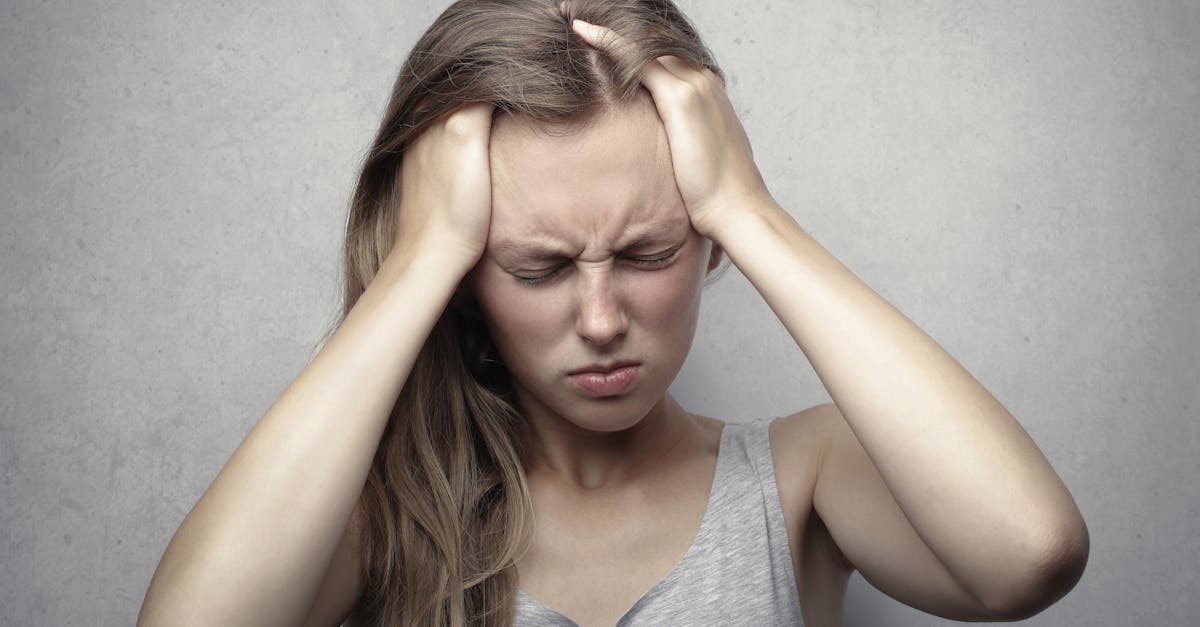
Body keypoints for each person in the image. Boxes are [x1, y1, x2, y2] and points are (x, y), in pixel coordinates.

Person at [137, 1, 1089, 625]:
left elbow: (1029, 552)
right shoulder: (381, 518)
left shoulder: (803, 480)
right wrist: (420, 257)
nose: (601, 318)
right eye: (538, 266)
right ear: (468, 276)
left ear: (706, 239)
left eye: (649, 251)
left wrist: (750, 211)